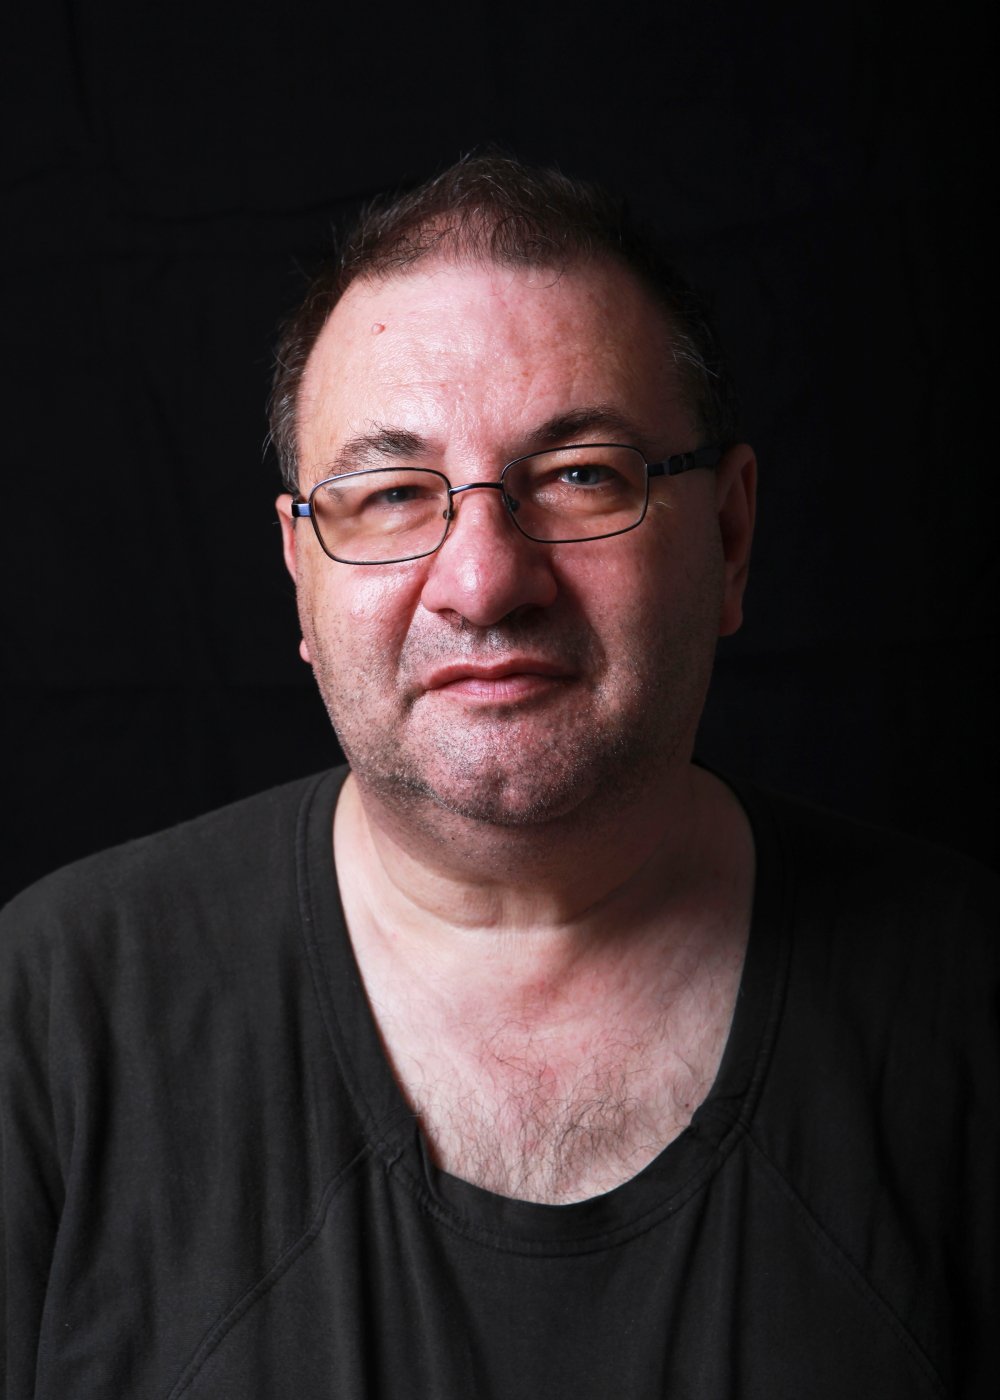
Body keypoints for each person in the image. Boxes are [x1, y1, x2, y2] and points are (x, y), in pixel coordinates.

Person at [1, 156, 996, 1400]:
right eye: (388, 494)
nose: (481, 581)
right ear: (300, 574)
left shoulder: (968, 1008)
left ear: (729, 536)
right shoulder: (46, 1023)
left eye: (580, 474)